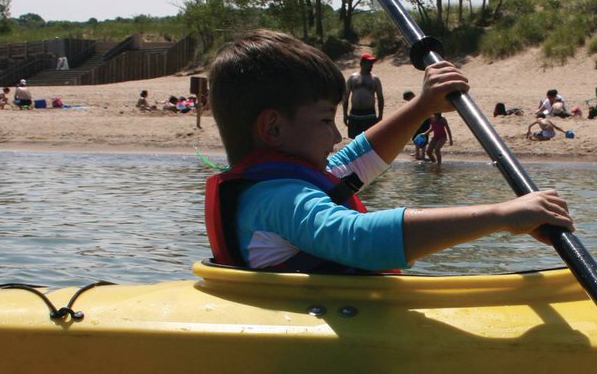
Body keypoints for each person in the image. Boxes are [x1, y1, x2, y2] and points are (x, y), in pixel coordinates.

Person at [204, 30, 571, 273]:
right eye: (324, 120)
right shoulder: (279, 200)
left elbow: (359, 158)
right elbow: (359, 238)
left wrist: (424, 105)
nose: (335, 135)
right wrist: (500, 216)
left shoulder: (281, 185)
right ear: (274, 128)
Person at [343, 53, 384, 139]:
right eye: (369, 63)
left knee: (369, 139)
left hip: (369, 114)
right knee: (354, 139)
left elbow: (380, 98)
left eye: (372, 63)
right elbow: (345, 97)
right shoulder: (353, 77)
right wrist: (345, 114)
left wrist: (380, 115)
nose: (371, 65)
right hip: (354, 114)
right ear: (362, 63)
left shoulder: (375, 79)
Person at [405, 91, 430, 161]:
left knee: (423, 137)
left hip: (424, 121)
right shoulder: (415, 101)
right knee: (415, 138)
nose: (408, 101)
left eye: (408, 99)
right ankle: (418, 154)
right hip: (418, 121)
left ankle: (422, 155)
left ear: (411, 96)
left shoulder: (419, 100)